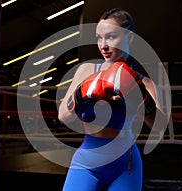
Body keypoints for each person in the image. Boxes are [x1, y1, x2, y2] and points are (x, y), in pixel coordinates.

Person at [58, 8, 165, 191]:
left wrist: (140, 96)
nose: (103, 45)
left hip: (125, 165)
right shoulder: (86, 71)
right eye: (99, 38)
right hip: (88, 161)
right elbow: (63, 117)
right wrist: (79, 95)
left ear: (129, 38)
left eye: (111, 37)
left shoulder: (145, 83)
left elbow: (160, 127)